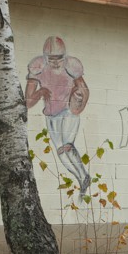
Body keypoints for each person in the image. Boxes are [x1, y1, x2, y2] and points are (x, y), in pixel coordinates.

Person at [26, 36, 91, 193]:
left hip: (68, 111)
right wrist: (40, 91)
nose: (55, 62)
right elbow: (27, 101)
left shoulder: (71, 66)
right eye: (51, 58)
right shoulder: (38, 66)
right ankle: (81, 178)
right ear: (45, 57)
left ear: (65, 56)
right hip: (51, 115)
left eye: (59, 58)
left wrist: (79, 106)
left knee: (67, 146)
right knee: (61, 152)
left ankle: (83, 175)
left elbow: (84, 88)